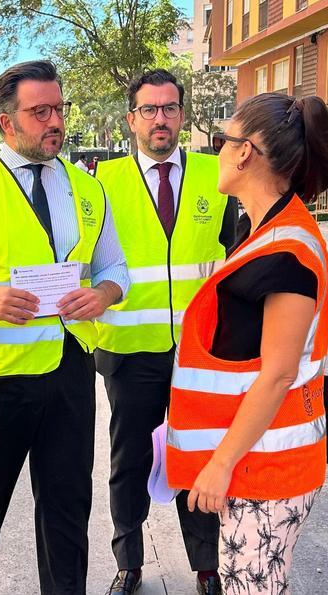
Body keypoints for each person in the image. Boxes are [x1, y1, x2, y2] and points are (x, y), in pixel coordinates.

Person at [0, 60, 130, 594]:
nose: (56, 122)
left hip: (70, 371)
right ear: (7, 122)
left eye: (59, 109)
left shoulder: (86, 188)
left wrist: (102, 294)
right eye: (40, 112)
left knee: (68, 510)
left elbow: (116, 268)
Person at [166, 93, 328, 594]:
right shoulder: (259, 229)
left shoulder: (287, 250)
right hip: (255, 456)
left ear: (245, 152)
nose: (216, 151)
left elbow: (279, 373)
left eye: (223, 140)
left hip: (270, 464)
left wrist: (219, 464)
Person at [94, 69, 238, 595]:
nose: (161, 118)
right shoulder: (101, 182)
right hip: (130, 351)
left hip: (200, 352)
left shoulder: (214, 174)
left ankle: (207, 567)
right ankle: (128, 562)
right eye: (150, 109)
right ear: (131, 119)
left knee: (197, 457)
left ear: (182, 115)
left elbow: (235, 256)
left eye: (170, 108)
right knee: (129, 461)